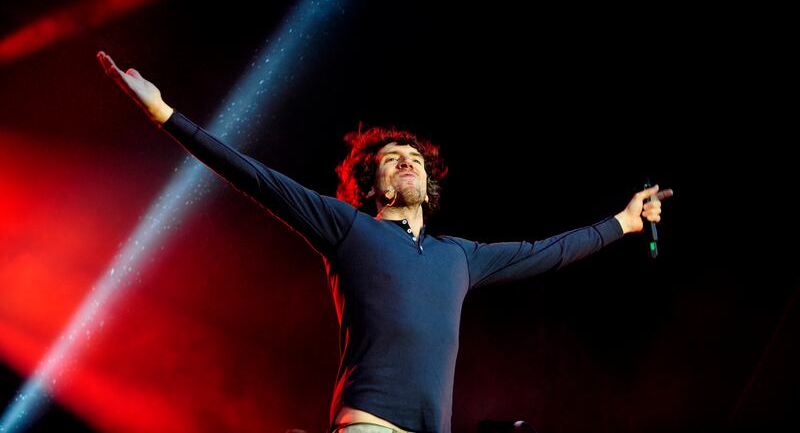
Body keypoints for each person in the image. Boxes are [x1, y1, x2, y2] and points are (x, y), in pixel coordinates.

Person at [97, 51, 672, 433]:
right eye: (393, 159)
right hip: (370, 424)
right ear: (370, 182)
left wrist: (622, 223)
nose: (407, 164)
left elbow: (545, 251)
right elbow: (257, 178)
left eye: (415, 159)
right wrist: (165, 114)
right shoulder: (348, 229)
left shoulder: (459, 256)